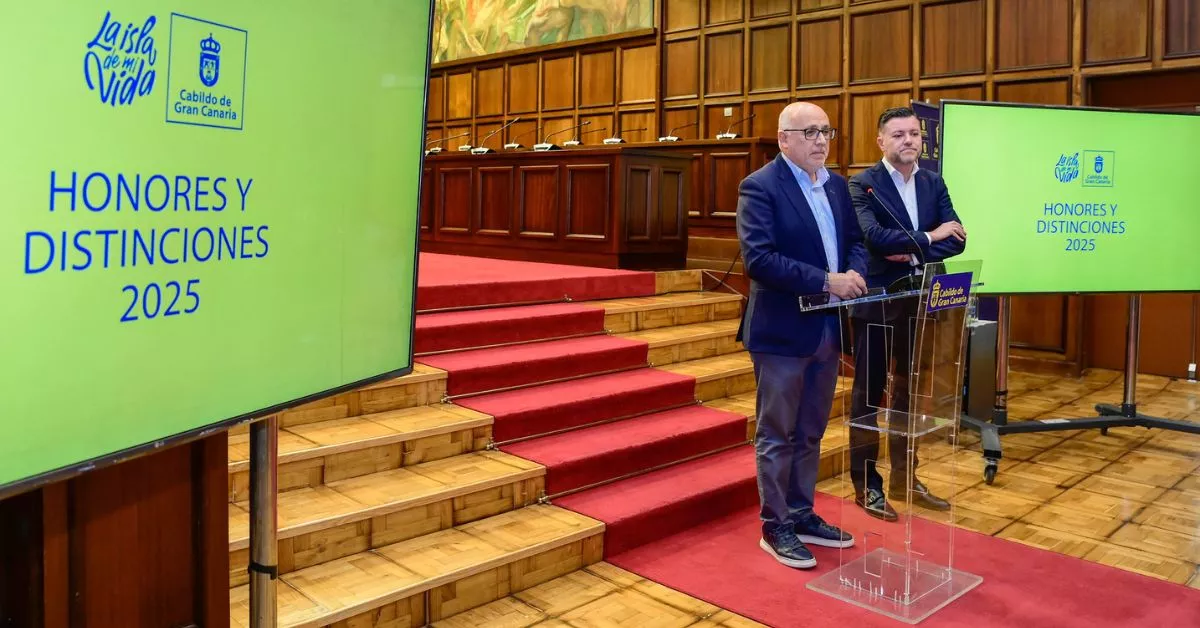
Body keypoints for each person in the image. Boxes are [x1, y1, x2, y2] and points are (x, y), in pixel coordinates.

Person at [736, 102, 869, 569]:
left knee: (811, 431)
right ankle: (775, 526)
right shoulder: (760, 187)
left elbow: (855, 240)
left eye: (826, 131)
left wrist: (854, 270)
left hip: (829, 329)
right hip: (781, 332)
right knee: (777, 433)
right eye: (809, 132)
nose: (820, 140)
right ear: (784, 138)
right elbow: (759, 260)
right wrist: (825, 280)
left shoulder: (835, 184)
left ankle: (801, 512)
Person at [845, 106, 967, 521]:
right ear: (881, 141)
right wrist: (931, 237)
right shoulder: (863, 184)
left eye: (914, 134)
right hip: (879, 301)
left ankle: (905, 477)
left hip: (926, 303)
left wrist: (911, 247)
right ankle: (866, 485)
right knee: (869, 395)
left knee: (910, 393)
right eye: (898, 135)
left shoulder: (934, 181)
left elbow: (959, 240)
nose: (909, 141)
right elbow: (874, 239)